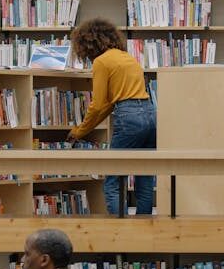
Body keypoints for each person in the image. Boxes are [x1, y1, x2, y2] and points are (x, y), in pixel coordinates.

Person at [66, 18, 156, 215]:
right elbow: (109, 104)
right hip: (150, 114)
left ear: (87, 44)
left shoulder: (102, 62)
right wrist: (84, 130)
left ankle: (120, 231)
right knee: (145, 178)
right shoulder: (127, 57)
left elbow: (98, 104)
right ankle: (146, 231)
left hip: (128, 116)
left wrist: (80, 131)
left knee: (113, 180)